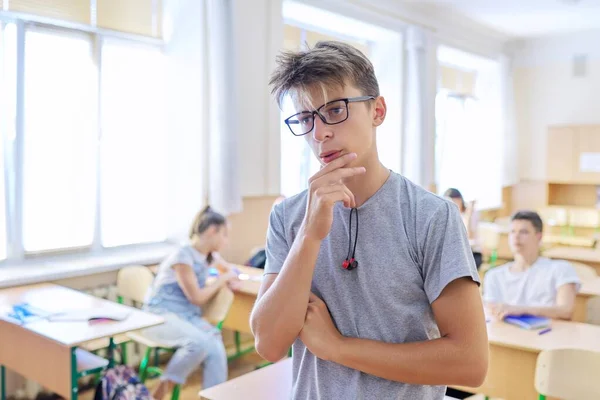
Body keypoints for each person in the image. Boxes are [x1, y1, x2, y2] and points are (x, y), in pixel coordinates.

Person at [250, 41, 488, 400]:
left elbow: (470, 363)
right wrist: (309, 237)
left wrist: (337, 348)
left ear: (377, 110)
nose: (319, 133)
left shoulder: (430, 216)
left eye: (334, 110)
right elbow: (268, 344)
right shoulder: (288, 216)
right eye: (305, 119)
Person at [142, 206, 240, 399]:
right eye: (225, 234)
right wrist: (222, 279)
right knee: (198, 344)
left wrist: (230, 275)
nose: (226, 241)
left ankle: (213, 396)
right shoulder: (183, 256)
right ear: (213, 231)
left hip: (186, 316)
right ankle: (160, 392)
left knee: (215, 345)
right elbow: (197, 298)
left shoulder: (207, 255)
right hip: (159, 314)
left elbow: (231, 271)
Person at [483, 210, 580, 320]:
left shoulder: (560, 269)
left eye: (524, 232)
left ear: (539, 236)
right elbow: (491, 311)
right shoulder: (494, 275)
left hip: (548, 334)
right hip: (506, 335)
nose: (516, 236)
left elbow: (565, 311)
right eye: (512, 232)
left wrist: (521, 310)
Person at [443, 188, 483, 268]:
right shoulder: (448, 215)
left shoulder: (471, 213)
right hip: (456, 252)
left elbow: (469, 235)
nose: (454, 204)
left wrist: (469, 214)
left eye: (456, 201)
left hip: (472, 253)